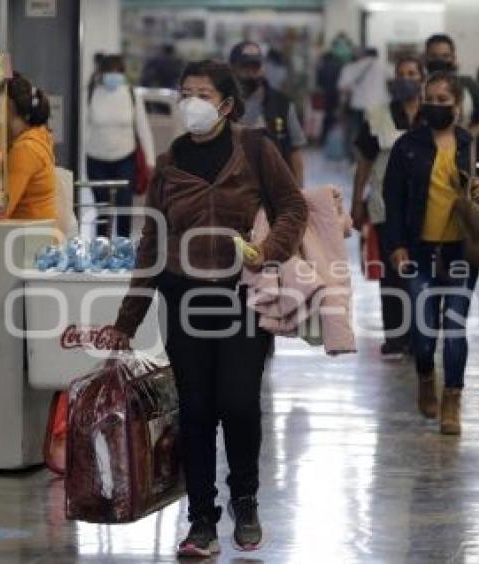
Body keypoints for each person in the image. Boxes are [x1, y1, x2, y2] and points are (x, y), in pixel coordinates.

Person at [111, 60, 307, 557]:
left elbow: (293, 208)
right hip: (182, 297)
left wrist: (270, 251)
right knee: (196, 412)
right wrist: (126, 322)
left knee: (238, 403)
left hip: (242, 294)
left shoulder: (256, 147)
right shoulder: (170, 161)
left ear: (226, 102)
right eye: (185, 93)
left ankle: (246, 501)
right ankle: (201, 520)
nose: (191, 102)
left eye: (202, 93)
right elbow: (151, 242)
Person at [383, 71, 479, 435]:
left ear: (458, 106)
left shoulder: (476, 146)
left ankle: (452, 400)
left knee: (454, 327)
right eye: (430, 100)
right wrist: (396, 246)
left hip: (461, 253)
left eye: (443, 101)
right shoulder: (407, 147)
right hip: (418, 251)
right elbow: (392, 200)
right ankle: (426, 378)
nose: (436, 107)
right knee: (423, 333)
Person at [351, 55, 426, 360]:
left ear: (422, 78)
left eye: (412, 73)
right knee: (392, 274)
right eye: (400, 74)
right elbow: (365, 162)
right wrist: (357, 203)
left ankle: (422, 333)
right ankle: (395, 337)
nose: (405, 78)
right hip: (385, 207)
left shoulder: (434, 114)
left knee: (423, 272)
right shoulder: (377, 115)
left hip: (427, 208)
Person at [85, 54, 153, 238]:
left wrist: (151, 160)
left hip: (125, 157)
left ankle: (123, 245)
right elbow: (83, 126)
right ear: (102, 73)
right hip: (96, 158)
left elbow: (142, 127)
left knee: (124, 205)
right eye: (110, 72)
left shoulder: (131, 94)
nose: (113, 76)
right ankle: (101, 245)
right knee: (102, 208)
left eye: (117, 72)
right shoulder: (92, 92)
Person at [230, 40, 307, 184]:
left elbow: (294, 150)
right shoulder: (222, 102)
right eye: (245, 66)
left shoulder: (281, 103)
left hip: (272, 186)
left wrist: (300, 191)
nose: (251, 72)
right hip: (233, 186)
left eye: (255, 66)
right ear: (233, 68)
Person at [424, 34, 479, 137]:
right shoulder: (418, 86)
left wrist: (469, 134)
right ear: (425, 58)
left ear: (453, 58)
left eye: (445, 56)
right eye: (434, 56)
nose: (439, 61)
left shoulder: (468, 85)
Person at [4, 73, 56, 220]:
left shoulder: (25, 149)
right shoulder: (37, 136)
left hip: (29, 239)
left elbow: (2, 209)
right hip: (36, 235)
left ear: (9, 106)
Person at [338, 47, 390, 161]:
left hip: (358, 105)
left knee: (357, 133)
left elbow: (342, 87)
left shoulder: (352, 67)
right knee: (377, 133)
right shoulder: (383, 66)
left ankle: (357, 158)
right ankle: (375, 157)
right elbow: (392, 81)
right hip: (379, 105)